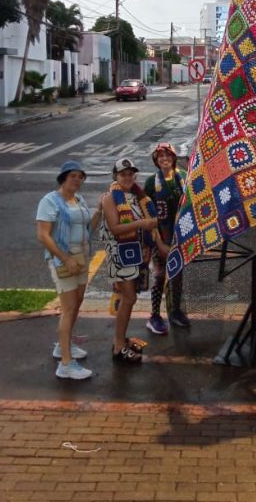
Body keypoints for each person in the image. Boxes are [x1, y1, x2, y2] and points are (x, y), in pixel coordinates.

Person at [95, 158, 165, 365]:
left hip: (137, 254)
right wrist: (141, 223)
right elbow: (116, 228)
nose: (127, 177)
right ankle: (118, 346)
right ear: (115, 176)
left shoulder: (138, 197)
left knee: (131, 298)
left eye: (130, 174)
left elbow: (152, 226)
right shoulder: (109, 198)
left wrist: (160, 245)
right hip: (120, 255)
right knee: (128, 298)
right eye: (122, 174)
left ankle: (122, 338)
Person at [36, 161, 94, 380]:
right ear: (63, 178)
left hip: (81, 257)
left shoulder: (78, 199)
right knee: (68, 308)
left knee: (77, 303)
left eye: (80, 177)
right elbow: (43, 235)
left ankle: (63, 346)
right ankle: (66, 364)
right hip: (64, 260)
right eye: (73, 176)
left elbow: (88, 225)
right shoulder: (49, 201)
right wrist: (65, 258)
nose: (77, 180)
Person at [143, 143, 189, 333]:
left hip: (180, 235)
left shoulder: (183, 177)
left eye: (167, 155)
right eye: (160, 156)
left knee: (177, 275)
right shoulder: (151, 182)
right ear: (156, 159)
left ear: (173, 158)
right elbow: (147, 214)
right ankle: (154, 315)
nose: (164, 159)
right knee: (160, 276)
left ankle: (175, 311)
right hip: (160, 236)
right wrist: (158, 242)